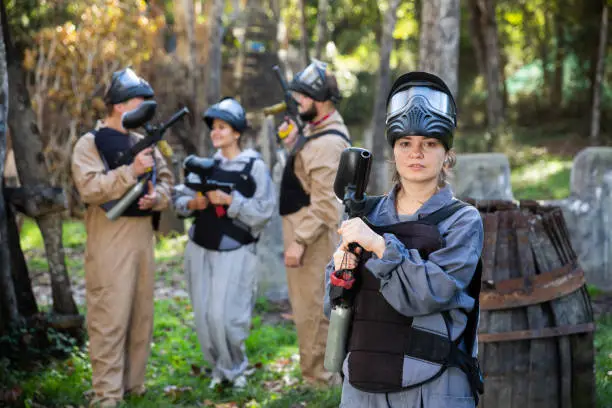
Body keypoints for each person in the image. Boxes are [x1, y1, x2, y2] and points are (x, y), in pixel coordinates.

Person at [324, 71, 484, 407]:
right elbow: (332, 305)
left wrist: (380, 245)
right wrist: (341, 274)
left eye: (430, 144)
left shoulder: (463, 220)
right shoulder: (364, 214)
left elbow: (428, 294)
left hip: (435, 385)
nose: (417, 154)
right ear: (394, 151)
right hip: (363, 383)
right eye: (405, 144)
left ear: (447, 154)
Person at [71, 68, 174, 407]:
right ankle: (107, 396)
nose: (145, 107)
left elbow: (167, 181)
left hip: (142, 237)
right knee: (109, 317)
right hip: (109, 238)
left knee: (141, 316)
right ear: (118, 105)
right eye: (138, 101)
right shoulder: (90, 143)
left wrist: (156, 197)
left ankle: (134, 387)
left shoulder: (142, 141)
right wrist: (131, 172)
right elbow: (89, 188)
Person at [172, 97, 276, 389]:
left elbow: (264, 211)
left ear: (237, 132)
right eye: (213, 128)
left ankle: (236, 367)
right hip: (200, 247)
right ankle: (219, 368)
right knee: (205, 316)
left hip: (236, 250)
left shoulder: (253, 167)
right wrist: (196, 201)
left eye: (222, 127)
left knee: (226, 317)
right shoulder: (204, 165)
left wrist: (231, 201)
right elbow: (178, 199)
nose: (215, 133)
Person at [278, 59, 351, 386]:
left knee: (312, 309)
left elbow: (325, 204)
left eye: (302, 98)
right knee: (308, 306)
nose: (297, 104)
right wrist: (294, 144)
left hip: (312, 235)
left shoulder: (327, 142)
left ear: (320, 100)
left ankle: (320, 380)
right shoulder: (317, 131)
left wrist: (299, 240)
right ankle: (321, 375)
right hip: (306, 229)